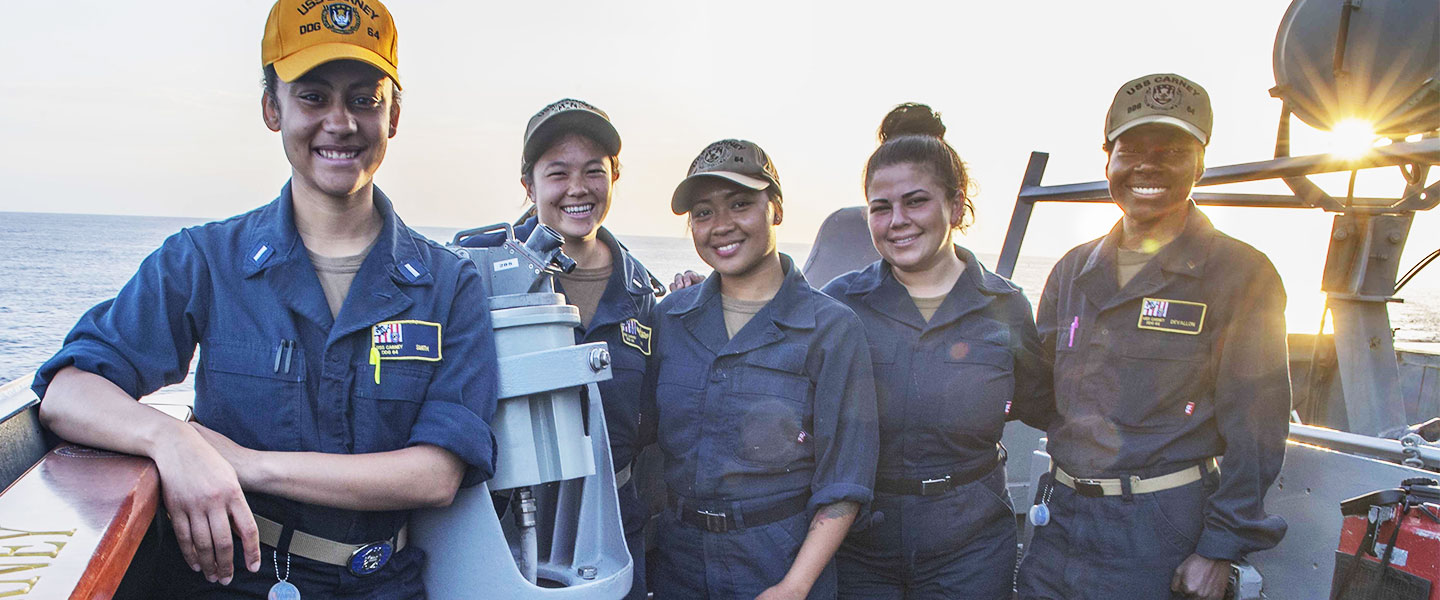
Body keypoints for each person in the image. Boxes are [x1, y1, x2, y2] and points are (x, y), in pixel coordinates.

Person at [30, 1, 499, 597]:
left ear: (394, 115)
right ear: (271, 109)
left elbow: (435, 474)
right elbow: (68, 393)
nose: (340, 122)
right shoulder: (203, 261)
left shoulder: (448, 285)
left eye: (363, 98)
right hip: (231, 581)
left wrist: (244, 463)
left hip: (386, 584)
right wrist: (171, 439)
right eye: (312, 96)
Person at [1015, 73, 1290, 600]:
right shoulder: (1073, 269)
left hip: (1158, 530)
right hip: (1060, 518)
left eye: (1171, 151)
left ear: (1199, 165)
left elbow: (1257, 426)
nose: (1147, 165)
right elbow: (1041, 394)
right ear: (1109, 163)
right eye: (1131, 150)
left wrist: (1218, 548)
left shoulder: (1240, 274)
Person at [823, 104, 1053, 599]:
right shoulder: (838, 305)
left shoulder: (1006, 306)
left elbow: (1046, 405)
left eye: (916, 201)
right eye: (880, 207)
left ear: (954, 205)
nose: (897, 221)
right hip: (860, 543)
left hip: (969, 545)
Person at [648, 139, 879, 599]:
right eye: (703, 213)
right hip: (678, 563)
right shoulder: (668, 318)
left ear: (775, 209)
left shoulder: (831, 329)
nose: (721, 226)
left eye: (740, 205)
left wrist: (793, 586)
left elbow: (844, 481)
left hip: (777, 561)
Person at [458, 98, 660, 600]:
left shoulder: (647, 297)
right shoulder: (475, 279)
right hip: (504, 537)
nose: (577, 188)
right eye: (557, 172)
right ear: (528, 184)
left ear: (615, 175)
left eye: (594, 171)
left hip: (613, 535)